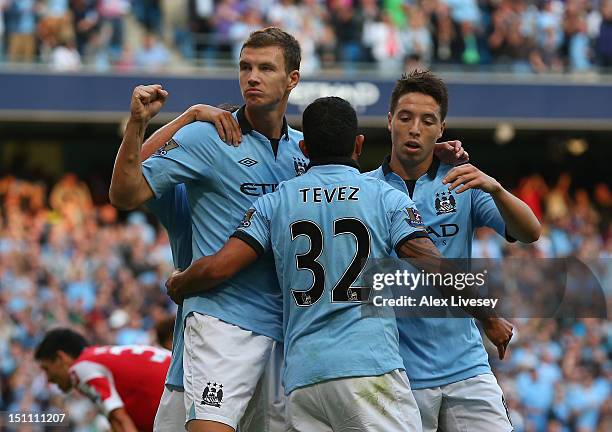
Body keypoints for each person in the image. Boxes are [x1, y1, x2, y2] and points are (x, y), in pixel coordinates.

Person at [165, 96, 512, 431]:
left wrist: (181, 283)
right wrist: (490, 318)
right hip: (368, 369)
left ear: (304, 151)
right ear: (358, 145)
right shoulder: (383, 196)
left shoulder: (276, 201)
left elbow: (220, 267)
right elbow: (435, 266)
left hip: (304, 380)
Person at [109, 27, 305, 432]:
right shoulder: (204, 139)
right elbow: (126, 192)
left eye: (265, 68)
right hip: (219, 323)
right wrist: (175, 118)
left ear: (292, 79)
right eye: (245, 67)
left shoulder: (306, 152)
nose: (252, 76)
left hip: (289, 333)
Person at [366, 70, 541, 431]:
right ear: (389, 121)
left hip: (466, 365)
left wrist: (495, 188)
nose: (415, 128)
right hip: (398, 374)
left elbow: (530, 231)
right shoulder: (365, 189)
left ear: (441, 129)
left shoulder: (463, 182)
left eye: (427, 121)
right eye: (405, 117)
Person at [35, 328, 170, 432]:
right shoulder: (100, 357)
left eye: (46, 369)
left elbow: (119, 420)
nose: (49, 379)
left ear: (61, 358)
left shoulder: (80, 368)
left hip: (180, 395)